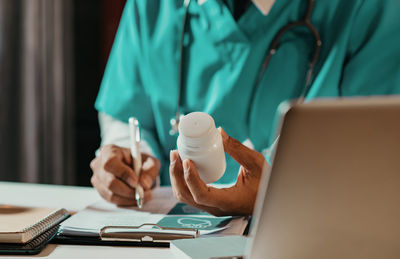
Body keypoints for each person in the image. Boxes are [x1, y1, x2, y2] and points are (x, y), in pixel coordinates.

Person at [90, 0, 400, 215]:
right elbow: (125, 110)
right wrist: (127, 155)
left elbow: (372, 154)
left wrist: (278, 191)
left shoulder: (368, 9)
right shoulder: (152, 6)